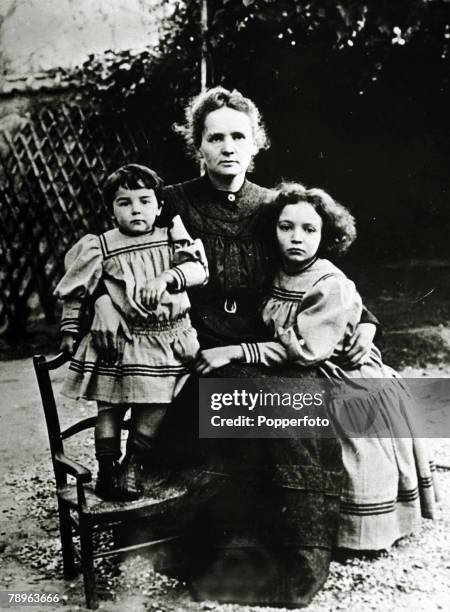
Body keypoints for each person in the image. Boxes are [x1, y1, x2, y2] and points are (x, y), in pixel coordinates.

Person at [90, 88, 378, 606]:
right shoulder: (169, 201)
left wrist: (369, 324)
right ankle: (225, 559)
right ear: (196, 145)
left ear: (257, 144)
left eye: (238, 136)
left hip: (269, 350)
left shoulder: (274, 206)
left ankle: (296, 563)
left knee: (301, 412)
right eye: (214, 136)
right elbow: (115, 252)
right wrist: (106, 304)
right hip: (196, 356)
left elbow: (322, 277)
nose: (227, 147)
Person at [197, 181, 437, 551]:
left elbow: (307, 349)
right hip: (300, 363)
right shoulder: (273, 271)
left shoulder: (328, 282)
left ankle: (356, 531)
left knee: (350, 431)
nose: (297, 237)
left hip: (340, 367)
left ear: (325, 235)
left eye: (309, 229)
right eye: (286, 227)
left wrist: (236, 351)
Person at [54, 164, 208, 501]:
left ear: (159, 205)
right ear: (111, 209)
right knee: (108, 407)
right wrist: (69, 328)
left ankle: (134, 463)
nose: (136, 209)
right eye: (124, 202)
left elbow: (197, 269)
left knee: (156, 404)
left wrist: (168, 278)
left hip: (166, 339)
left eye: (144, 200)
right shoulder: (101, 245)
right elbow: (77, 288)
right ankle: (107, 467)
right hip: (119, 341)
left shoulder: (171, 236)